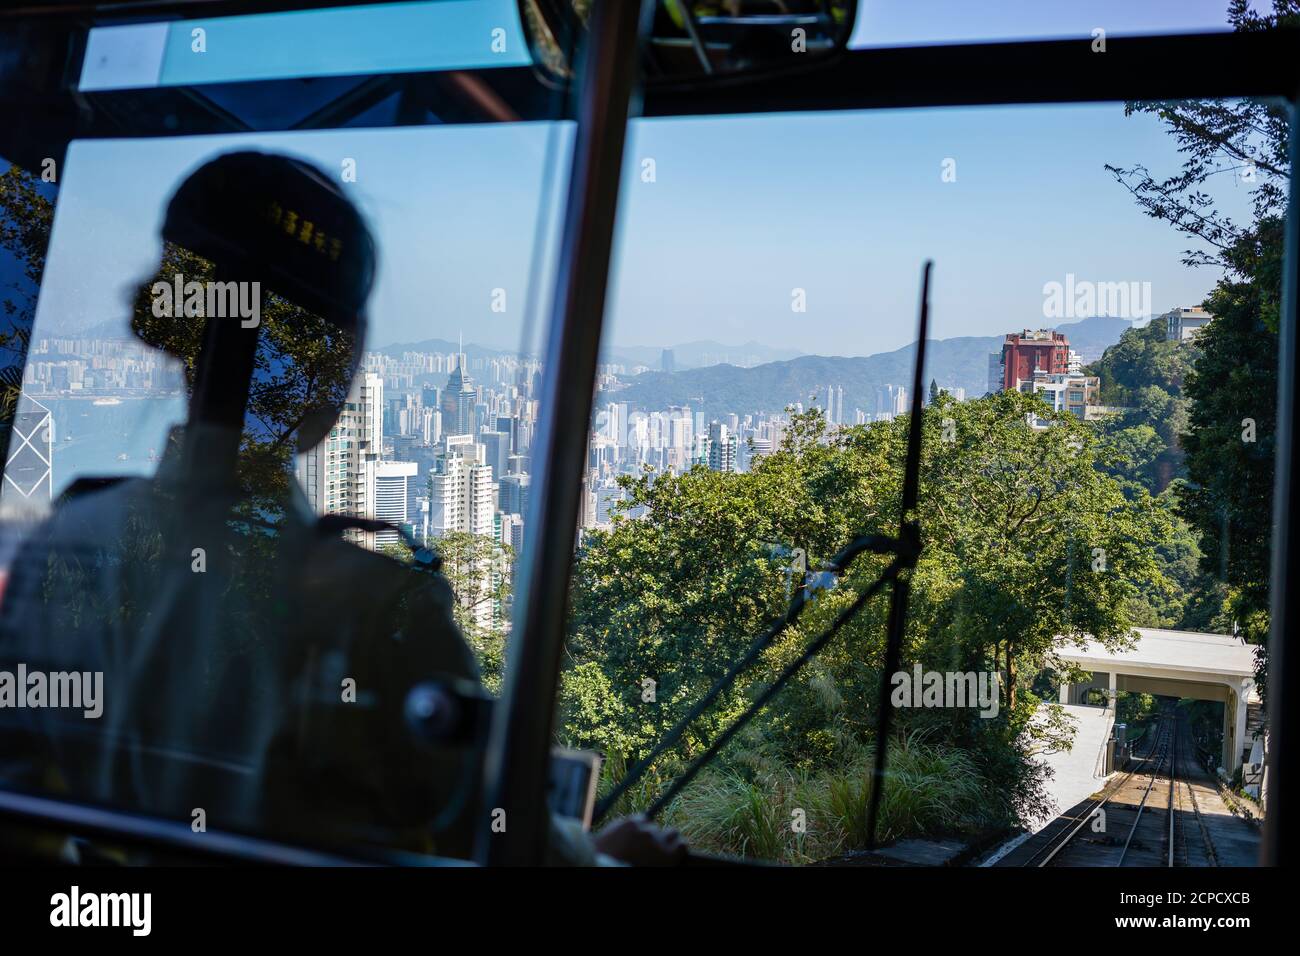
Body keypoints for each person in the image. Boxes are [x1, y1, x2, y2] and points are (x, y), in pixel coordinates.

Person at [0, 151, 683, 866]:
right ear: (340, 365)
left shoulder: (61, 549)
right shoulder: (379, 612)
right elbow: (503, 842)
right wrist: (606, 856)